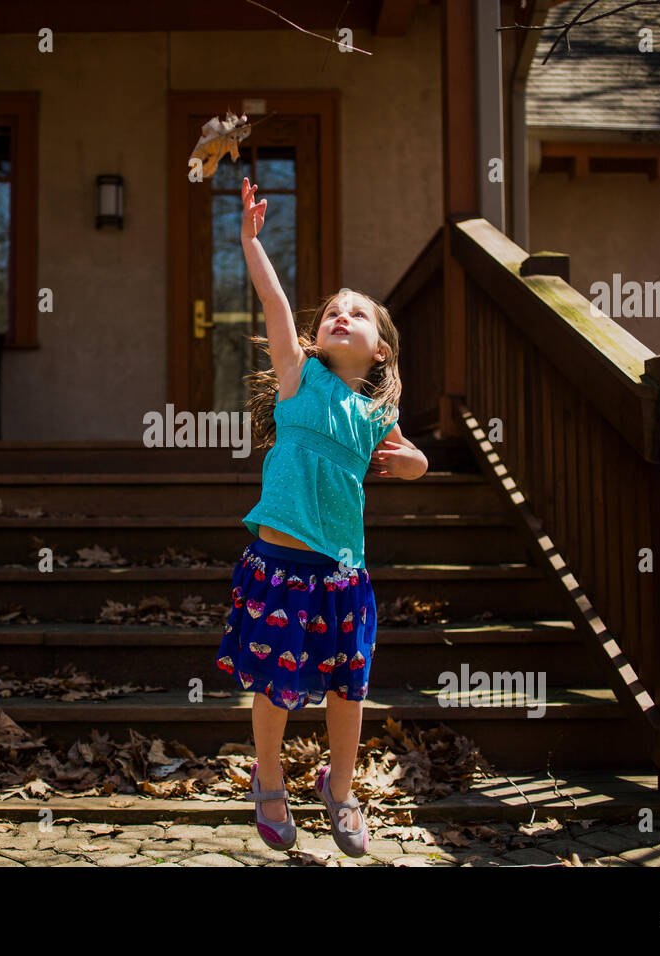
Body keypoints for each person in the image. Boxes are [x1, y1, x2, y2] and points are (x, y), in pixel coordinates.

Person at [215, 177, 429, 857]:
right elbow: (276, 304)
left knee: (347, 686)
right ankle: (269, 775)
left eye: (356, 314)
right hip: (280, 566)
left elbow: (416, 458)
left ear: (379, 350)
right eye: (333, 310)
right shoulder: (298, 376)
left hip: (342, 573)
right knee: (277, 685)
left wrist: (410, 463)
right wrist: (252, 241)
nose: (340, 315)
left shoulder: (375, 416)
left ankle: (340, 784)